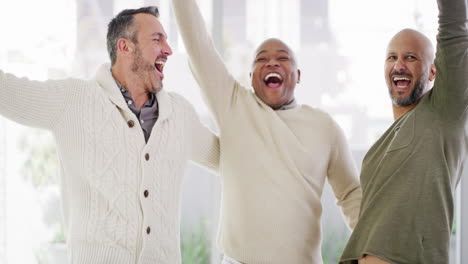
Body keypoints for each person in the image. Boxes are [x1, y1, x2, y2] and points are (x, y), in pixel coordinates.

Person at [0, 6, 219, 264]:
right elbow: (8, 92)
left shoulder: (180, 114)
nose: (169, 50)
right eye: (157, 39)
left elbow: (232, 160)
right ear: (125, 47)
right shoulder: (73, 101)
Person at [172, 0, 362, 263]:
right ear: (250, 76)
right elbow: (198, 45)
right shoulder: (233, 105)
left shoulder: (324, 126)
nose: (272, 63)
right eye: (262, 59)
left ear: (298, 74)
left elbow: (351, 193)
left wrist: (373, 251)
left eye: (282, 58)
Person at [340, 0, 468, 263]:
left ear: (434, 71)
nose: (399, 65)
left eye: (411, 57)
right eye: (392, 57)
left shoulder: (443, 112)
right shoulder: (375, 153)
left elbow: (453, 28)